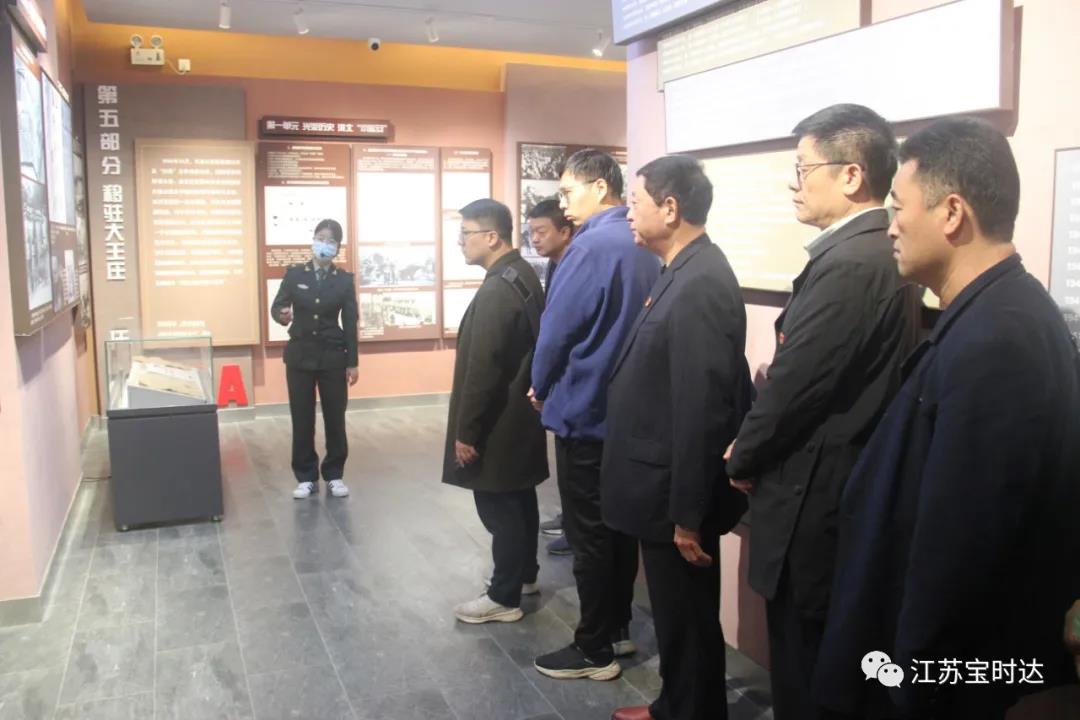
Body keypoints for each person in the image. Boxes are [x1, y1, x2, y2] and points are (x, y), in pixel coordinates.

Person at [813, 117, 1080, 720]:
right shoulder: (998, 314)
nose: (891, 225)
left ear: (952, 213)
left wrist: (914, 685)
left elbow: (960, 551)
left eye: (899, 207)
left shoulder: (997, 340)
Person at [724, 104, 919, 719]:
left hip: (817, 499)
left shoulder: (853, 264)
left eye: (803, 169)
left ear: (851, 175)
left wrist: (742, 455)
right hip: (831, 492)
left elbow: (795, 387)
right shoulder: (864, 253)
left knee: (808, 672)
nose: (794, 184)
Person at [602, 156, 752, 720]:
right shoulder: (680, 269)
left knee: (687, 615)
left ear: (670, 208)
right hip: (660, 484)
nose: (628, 215)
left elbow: (701, 407)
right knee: (675, 614)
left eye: (635, 203)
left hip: (674, 494)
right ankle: (677, 704)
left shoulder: (700, 282)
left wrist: (688, 513)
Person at [531, 149, 660, 680]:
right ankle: (618, 628)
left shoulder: (588, 247)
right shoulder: (641, 243)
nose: (563, 203)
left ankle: (593, 647)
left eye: (568, 191)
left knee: (588, 536)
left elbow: (556, 330)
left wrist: (540, 383)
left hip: (584, 408)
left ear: (601, 187)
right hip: (628, 412)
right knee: (619, 529)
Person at [444, 199, 549, 624]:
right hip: (519, 415)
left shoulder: (496, 290)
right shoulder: (521, 274)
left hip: (498, 422)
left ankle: (504, 596)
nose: (460, 242)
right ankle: (524, 574)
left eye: (465, 233)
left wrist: (467, 431)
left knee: (498, 507)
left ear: (491, 237)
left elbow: (482, 369)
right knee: (519, 497)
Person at [271, 219, 359, 500]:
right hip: (300, 357)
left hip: (333, 357)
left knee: (335, 418)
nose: (325, 244)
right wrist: (282, 314)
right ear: (313, 240)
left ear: (337, 248)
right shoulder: (295, 274)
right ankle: (306, 476)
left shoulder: (343, 280)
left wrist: (353, 362)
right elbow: (277, 306)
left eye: (331, 240)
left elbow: (350, 323)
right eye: (321, 237)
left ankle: (334, 474)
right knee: (302, 417)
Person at [526, 197, 575, 556]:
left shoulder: (576, 265)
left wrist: (541, 381)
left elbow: (560, 329)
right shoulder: (555, 266)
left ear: (565, 231)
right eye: (531, 232)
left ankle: (576, 527)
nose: (535, 239)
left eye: (541, 231)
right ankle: (569, 517)